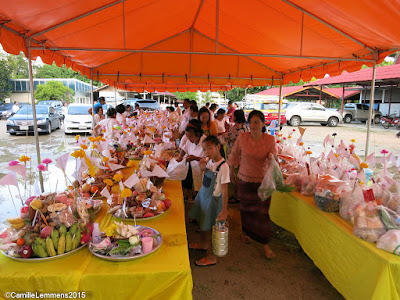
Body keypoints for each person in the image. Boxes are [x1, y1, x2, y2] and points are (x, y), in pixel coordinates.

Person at [228, 110, 277, 259]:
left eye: (257, 122)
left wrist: (272, 159)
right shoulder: (243, 137)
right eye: (251, 122)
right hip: (244, 178)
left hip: (263, 181)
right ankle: (245, 232)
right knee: (246, 209)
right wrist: (232, 170)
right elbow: (234, 153)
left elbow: (273, 156)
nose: (254, 125)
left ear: (263, 124)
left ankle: (265, 245)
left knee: (262, 213)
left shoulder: (269, 140)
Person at [189, 135, 229, 266]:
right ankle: (203, 244)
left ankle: (212, 256)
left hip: (214, 201)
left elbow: (225, 189)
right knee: (204, 223)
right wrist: (202, 169)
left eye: (210, 148)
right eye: (204, 150)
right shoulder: (210, 162)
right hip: (204, 197)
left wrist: (224, 210)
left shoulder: (223, 166)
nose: (207, 152)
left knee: (212, 227)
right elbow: (205, 181)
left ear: (218, 147)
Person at [222, 110, 248, 203]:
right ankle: (240, 194)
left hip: (234, 154)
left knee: (234, 175)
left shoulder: (235, 127)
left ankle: (237, 195)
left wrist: (225, 132)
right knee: (240, 174)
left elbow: (227, 137)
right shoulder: (245, 127)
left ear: (236, 117)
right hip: (243, 154)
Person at [177, 119, 207, 202]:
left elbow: (209, 160)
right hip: (193, 167)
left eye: (191, 136)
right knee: (194, 184)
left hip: (203, 170)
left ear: (198, 134)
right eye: (187, 136)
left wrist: (195, 158)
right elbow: (184, 148)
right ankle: (193, 198)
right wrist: (180, 157)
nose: (189, 139)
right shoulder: (190, 141)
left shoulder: (206, 142)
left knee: (201, 188)